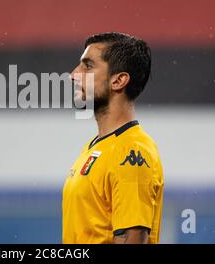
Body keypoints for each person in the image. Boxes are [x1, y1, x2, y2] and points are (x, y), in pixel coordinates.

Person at [62, 32, 164, 244]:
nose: (73, 74)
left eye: (88, 66)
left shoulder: (130, 152)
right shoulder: (96, 147)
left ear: (118, 80)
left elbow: (132, 238)